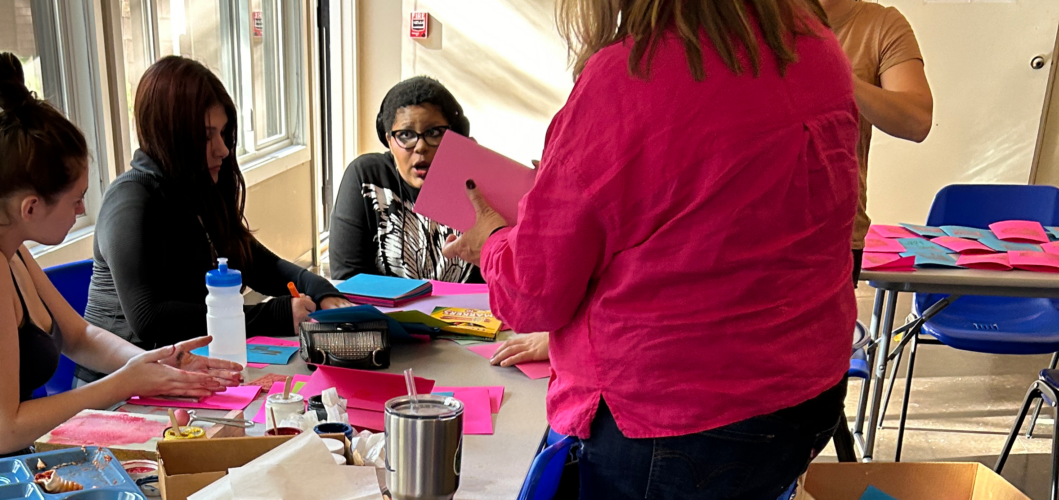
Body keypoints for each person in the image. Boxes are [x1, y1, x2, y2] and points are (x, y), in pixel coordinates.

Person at [442, 0, 860, 497]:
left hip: (676, 423)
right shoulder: (812, 43)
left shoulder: (630, 75)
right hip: (802, 397)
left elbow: (533, 296)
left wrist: (492, 240)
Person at [0, 47, 243, 500]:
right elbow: (3, 430)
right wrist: (123, 383)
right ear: (30, 207)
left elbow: (78, 336)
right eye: (75, 199)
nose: (81, 210)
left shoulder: (3, 244)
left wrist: (153, 362)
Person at [80, 56, 351, 382]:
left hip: (184, 369)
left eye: (223, 133)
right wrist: (272, 315)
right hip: (120, 391)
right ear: (171, 134)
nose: (222, 149)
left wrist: (321, 291)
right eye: (207, 135)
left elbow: (258, 263)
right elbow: (149, 317)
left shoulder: (195, 188)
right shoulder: (130, 199)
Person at [329, 76, 482, 283]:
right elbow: (348, 279)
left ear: (456, 135)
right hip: (384, 314)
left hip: (469, 314)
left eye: (434, 132)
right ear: (388, 141)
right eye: (405, 135)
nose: (420, 146)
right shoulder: (366, 177)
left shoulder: (479, 181)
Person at [822, 0, 933, 280]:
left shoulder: (881, 24)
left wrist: (835, 74)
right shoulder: (752, 17)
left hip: (835, 235)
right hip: (747, 228)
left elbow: (917, 120)